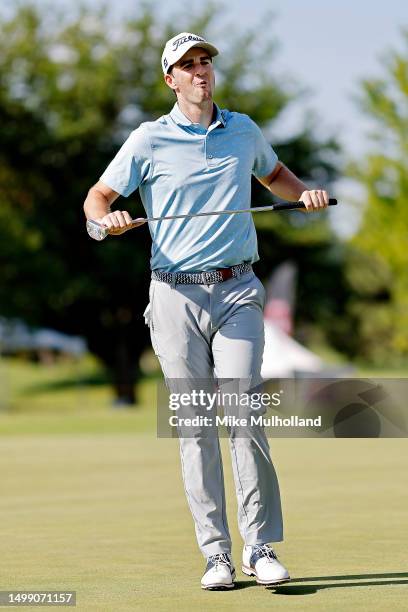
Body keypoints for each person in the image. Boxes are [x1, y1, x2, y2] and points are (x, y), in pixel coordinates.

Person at [83, 32, 329, 590]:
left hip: (238, 289)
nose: (200, 71)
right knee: (196, 427)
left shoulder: (243, 130)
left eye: (205, 62)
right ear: (170, 79)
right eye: (187, 65)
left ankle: (259, 547)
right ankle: (216, 555)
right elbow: (97, 199)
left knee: (244, 415)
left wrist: (304, 195)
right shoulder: (147, 141)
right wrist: (108, 221)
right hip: (174, 296)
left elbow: (275, 176)